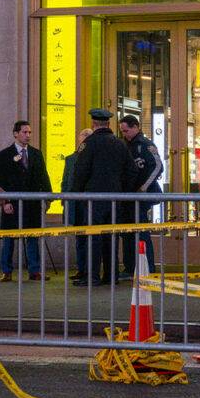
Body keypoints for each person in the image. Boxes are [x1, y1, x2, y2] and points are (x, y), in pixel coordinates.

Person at [70, 108, 137, 286]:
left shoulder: (89, 144)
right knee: (111, 237)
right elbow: (131, 171)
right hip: (115, 199)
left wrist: (77, 193)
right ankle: (111, 275)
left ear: (93, 124)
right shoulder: (120, 144)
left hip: (93, 199)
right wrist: (122, 192)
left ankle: (92, 276)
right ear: (108, 124)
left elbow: (80, 171)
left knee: (94, 237)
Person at [0, 121, 52, 282]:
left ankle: (34, 271)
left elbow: (43, 176)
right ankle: (6, 271)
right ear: (15, 133)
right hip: (12, 202)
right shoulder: (4, 155)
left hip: (32, 203)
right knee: (8, 237)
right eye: (24, 132)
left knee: (33, 236)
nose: (28, 135)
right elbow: (1, 180)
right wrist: (4, 202)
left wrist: (48, 198)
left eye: (29, 132)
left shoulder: (36, 153)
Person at [119, 114, 162, 277]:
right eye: (122, 131)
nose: (125, 134)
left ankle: (147, 267)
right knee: (128, 233)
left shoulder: (145, 145)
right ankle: (130, 268)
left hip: (141, 195)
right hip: (129, 196)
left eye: (127, 130)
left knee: (141, 233)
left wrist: (144, 187)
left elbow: (158, 166)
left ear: (136, 127)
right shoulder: (125, 145)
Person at [60, 128, 92, 281]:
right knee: (79, 238)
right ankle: (81, 269)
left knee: (92, 238)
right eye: (83, 134)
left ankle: (90, 270)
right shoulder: (70, 159)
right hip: (75, 203)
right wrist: (64, 200)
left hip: (89, 203)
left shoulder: (94, 157)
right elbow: (65, 180)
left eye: (88, 135)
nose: (85, 137)